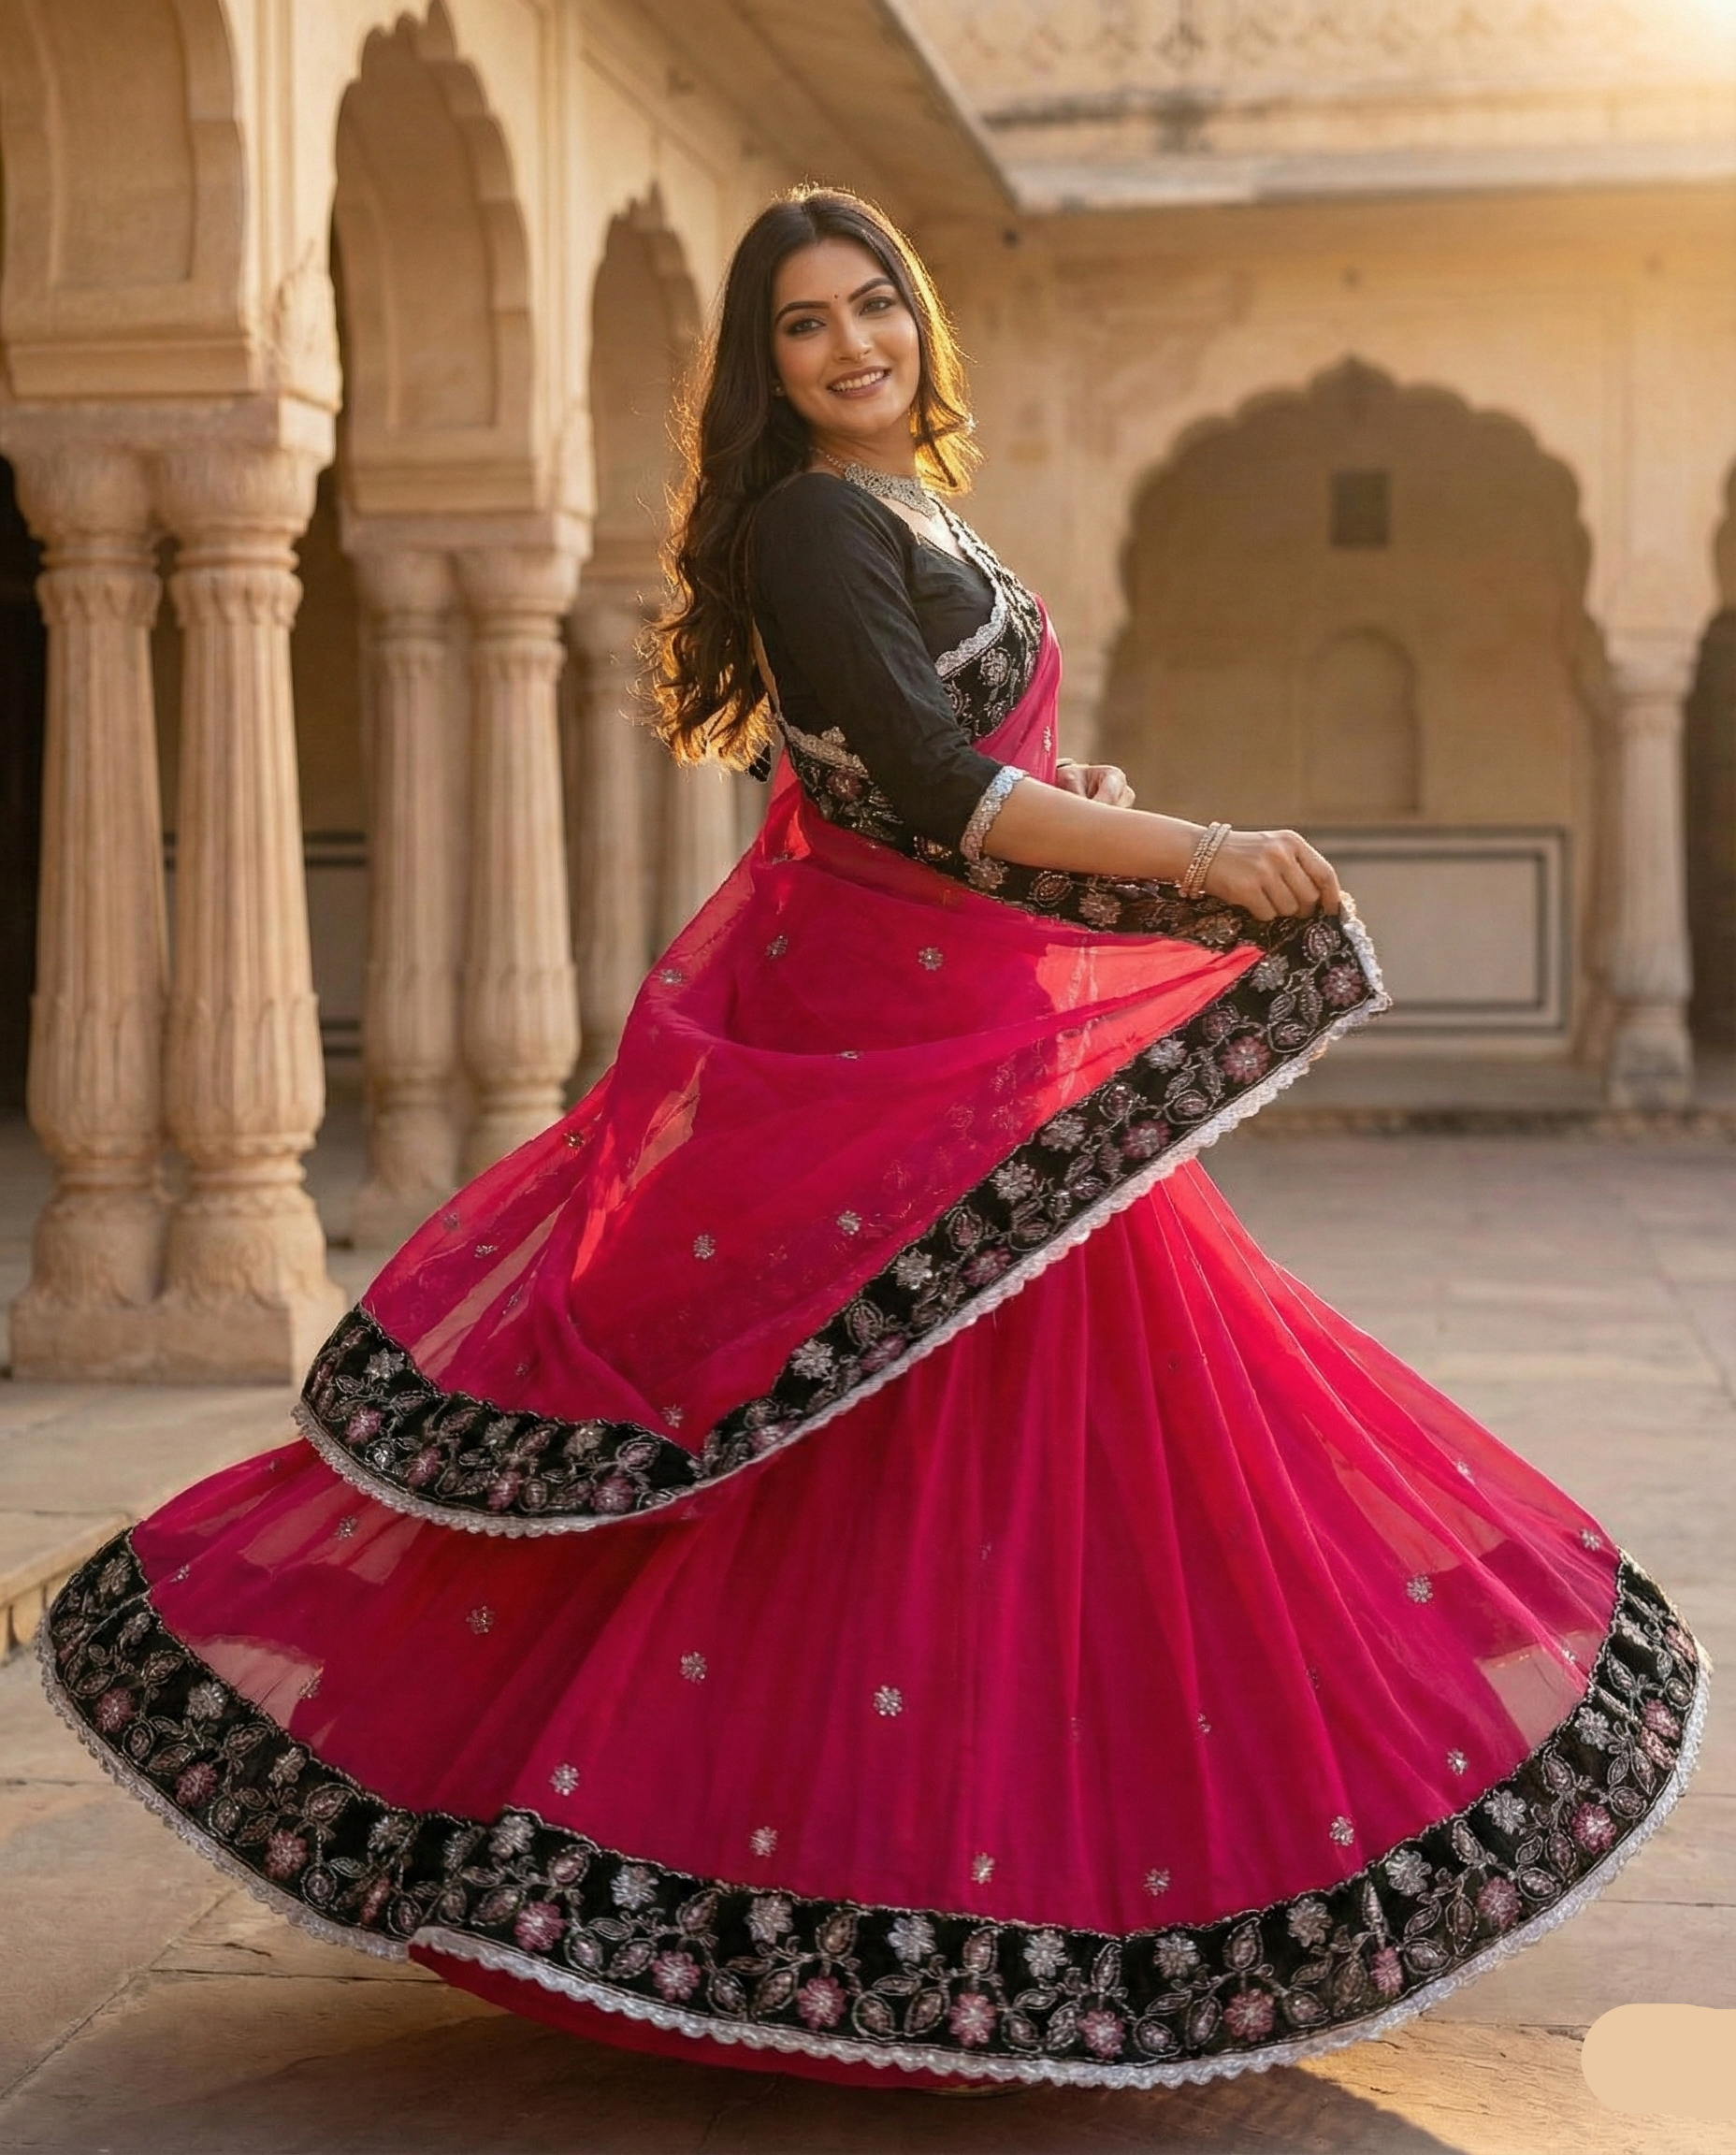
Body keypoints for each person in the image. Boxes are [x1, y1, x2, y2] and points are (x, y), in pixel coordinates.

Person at [42, 187, 1703, 2096]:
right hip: (880, 1059)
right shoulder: (820, 519)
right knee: (961, 1451)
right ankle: (828, 1907)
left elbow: (929, 770)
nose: (854, 346)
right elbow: (927, 784)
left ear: (917, 320)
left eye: (875, 307)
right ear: (763, 371)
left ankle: (906, 1896)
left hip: (960, 1049)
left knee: (961, 1466)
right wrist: (1195, 856)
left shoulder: (913, 507)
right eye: (804, 327)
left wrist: (1069, 801)